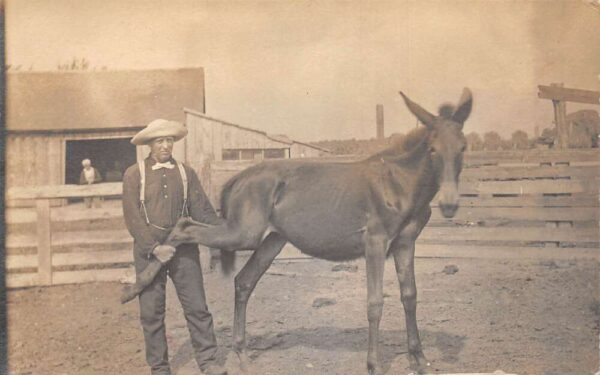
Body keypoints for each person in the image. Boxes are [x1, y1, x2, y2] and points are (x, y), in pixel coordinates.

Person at [122, 119, 227, 375]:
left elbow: (201, 209)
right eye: (159, 140)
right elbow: (132, 216)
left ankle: (208, 361)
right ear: (149, 144)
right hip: (150, 252)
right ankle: (159, 367)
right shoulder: (134, 174)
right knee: (152, 312)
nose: (165, 145)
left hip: (184, 249)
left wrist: (225, 232)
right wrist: (154, 248)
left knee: (197, 307)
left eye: (169, 140)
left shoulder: (185, 172)